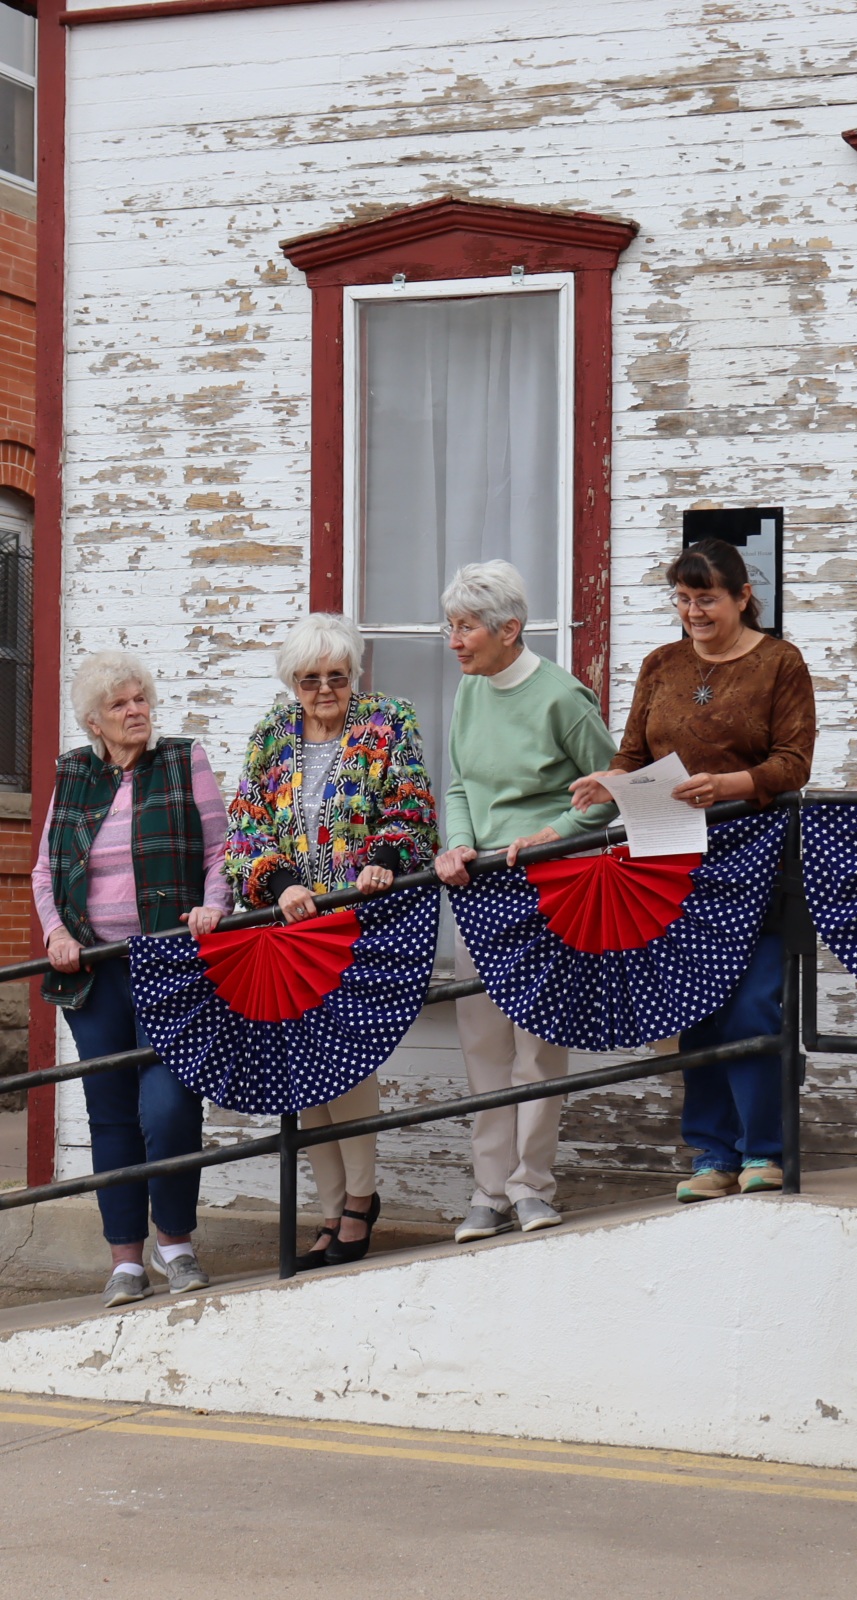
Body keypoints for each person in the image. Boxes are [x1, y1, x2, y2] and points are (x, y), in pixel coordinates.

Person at [570, 537, 815, 1203]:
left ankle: (765, 1150)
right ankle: (712, 1154)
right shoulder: (660, 663)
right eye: (682, 599)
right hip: (668, 848)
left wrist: (728, 785)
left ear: (741, 597)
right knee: (693, 1003)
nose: (693, 612)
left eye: (706, 598)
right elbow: (631, 754)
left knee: (755, 1002)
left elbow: (793, 764)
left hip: (754, 849)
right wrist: (608, 782)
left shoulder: (780, 663)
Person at [227, 613, 439, 1270]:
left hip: (359, 924)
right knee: (306, 1076)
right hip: (291, 929)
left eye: (337, 677)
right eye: (312, 679)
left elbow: (413, 810)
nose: (326, 690)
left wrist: (384, 857)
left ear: (355, 677)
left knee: (350, 1062)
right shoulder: (271, 735)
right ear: (294, 681)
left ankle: (360, 1200)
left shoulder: (388, 722)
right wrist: (281, 881)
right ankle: (328, 1210)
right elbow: (245, 834)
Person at [31, 652, 232, 1307]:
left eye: (141, 698)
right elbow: (44, 873)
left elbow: (220, 848)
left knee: (169, 1107)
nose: (136, 710)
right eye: (120, 704)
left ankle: (176, 1244)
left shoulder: (182, 761)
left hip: (169, 962)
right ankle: (125, 1261)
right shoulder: (75, 775)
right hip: (93, 974)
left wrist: (214, 907)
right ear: (95, 719)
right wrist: (57, 935)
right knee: (111, 1116)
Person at [433, 560, 617, 1242]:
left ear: (510, 630)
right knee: (483, 1044)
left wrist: (556, 833)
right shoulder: (470, 690)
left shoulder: (563, 698)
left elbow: (612, 791)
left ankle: (532, 1186)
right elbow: (459, 785)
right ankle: (488, 1194)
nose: (454, 641)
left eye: (466, 628)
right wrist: (456, 845)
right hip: (479, 890)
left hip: (547, 888)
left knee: (537, 1045)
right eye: (449, 627)